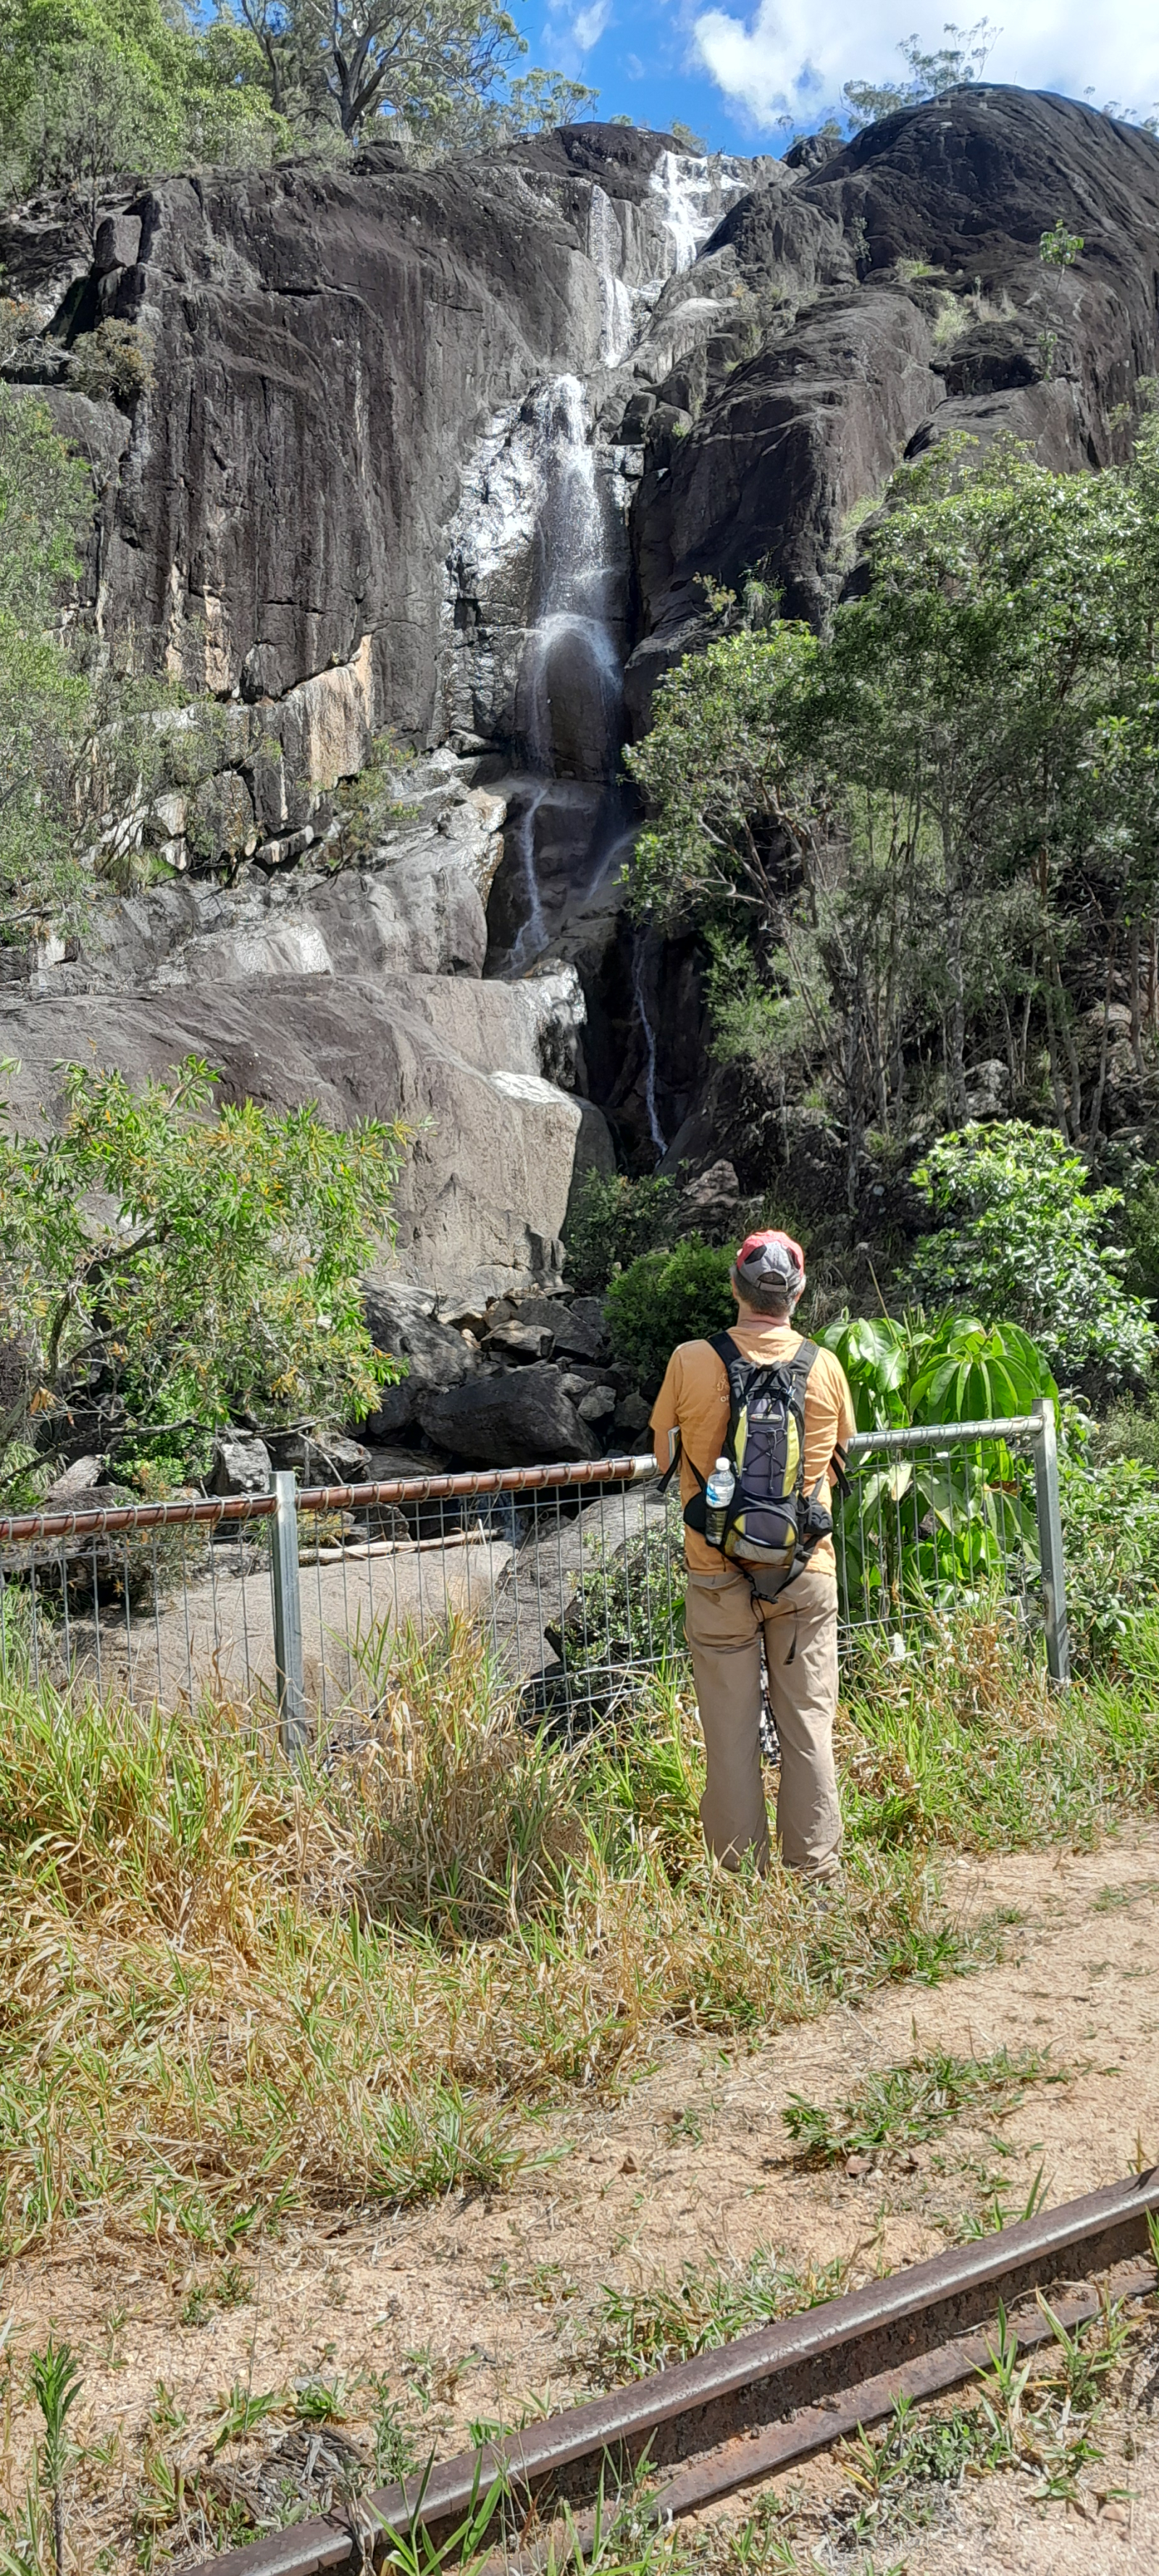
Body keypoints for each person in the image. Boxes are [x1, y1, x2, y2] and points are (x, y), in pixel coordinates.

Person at [650, 1229, 855, 1883]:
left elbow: (662, 1458)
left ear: (735, 1288)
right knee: (807, 1727)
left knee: (731, 1743)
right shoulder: (825, 1366)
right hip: (804, 1573)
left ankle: (741, 1886)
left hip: (716, 1574)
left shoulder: (690, 1359)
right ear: (798, 1294)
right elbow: (839, 1461)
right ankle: (815, 1878)